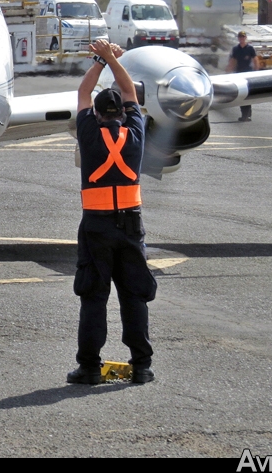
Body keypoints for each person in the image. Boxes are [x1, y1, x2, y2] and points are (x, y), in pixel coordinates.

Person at [68, 38, 157, 386]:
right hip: (131, 225)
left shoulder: (88, 131)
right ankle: (142, 366)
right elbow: (131, 92)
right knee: (134, 296)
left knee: (94, 296)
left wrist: (99, 61)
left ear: (96, 114)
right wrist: (113, 60)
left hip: (96, 226)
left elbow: (82, 92)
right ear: (121, 113)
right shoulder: (135, 132)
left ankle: (90, 367)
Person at [225, 31, 260, 122]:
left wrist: (256, 71)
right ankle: (244, 114)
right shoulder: (236, 49)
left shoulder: (250, 48)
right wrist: (228, 71)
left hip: (248, 73)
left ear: (245, 38)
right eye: (240, 37)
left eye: (243, 37)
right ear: (238, 38)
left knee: (247, 94)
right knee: (241, 95)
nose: (241, 38)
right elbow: (232, 61)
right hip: (239, 73)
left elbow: (255, 60)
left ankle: (247, 115)